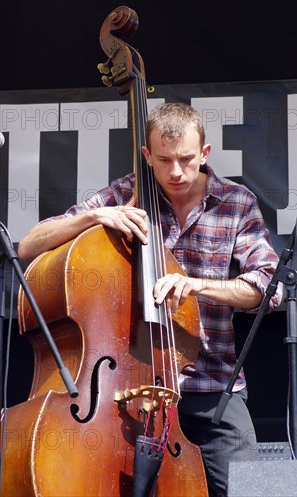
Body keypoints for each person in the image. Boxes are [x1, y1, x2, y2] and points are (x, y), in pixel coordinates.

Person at [18, 102, 282, 496]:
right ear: (147, 156)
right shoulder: (126, 193)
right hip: (128, 392)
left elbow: (267, 289)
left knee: (249, 491)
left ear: (204, 154)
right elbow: (28, 246)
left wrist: (195, 285)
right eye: (164, 160)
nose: (176, 172)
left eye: (186, 159)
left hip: (213, 389)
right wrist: (92, 218)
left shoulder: (237, 203)